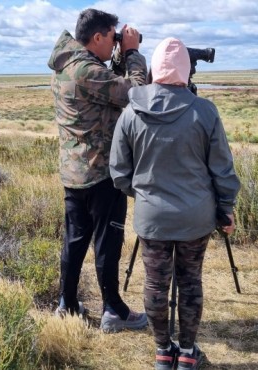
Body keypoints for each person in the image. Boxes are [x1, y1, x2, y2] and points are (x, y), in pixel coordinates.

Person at [109, 37, 240, 370]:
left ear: (154, 68)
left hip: (152, 219)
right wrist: (225, 208)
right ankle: (187, 352)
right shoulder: (205, 112)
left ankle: (162, 352)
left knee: (155, 283)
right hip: (196, 218)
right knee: (190, 281)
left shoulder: (130, 113)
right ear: (185, 69)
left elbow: (119, 173)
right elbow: (223, 171)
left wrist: (145, 196)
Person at [47, 8, 148, 333]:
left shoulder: (67, 67)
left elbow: (110, 93)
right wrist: (131, 52)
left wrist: (118, 56)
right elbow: (135, 93)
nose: (115, 43)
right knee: (107, 242)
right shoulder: (87, 71)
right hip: (101, 174)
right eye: (113, 37)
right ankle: (113, 310)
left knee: (75, 240)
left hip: (74, 173)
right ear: (99, 37)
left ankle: (67, 302)